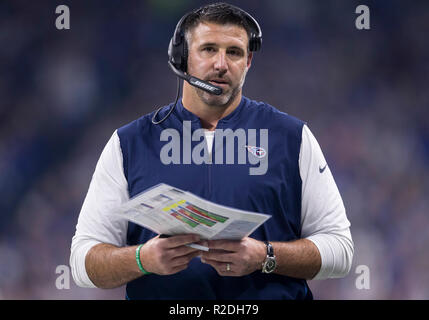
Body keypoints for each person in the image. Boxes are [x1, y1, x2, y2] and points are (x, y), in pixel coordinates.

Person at [70, 2, 353, 300]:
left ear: (248, 62)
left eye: (234, 52)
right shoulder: (129, 143)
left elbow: (341, 250)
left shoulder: (292, 137)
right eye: (208, 49)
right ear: (182, 58)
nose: (221, 64)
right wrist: (143, 258)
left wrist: (265, 256)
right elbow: (82, 263)